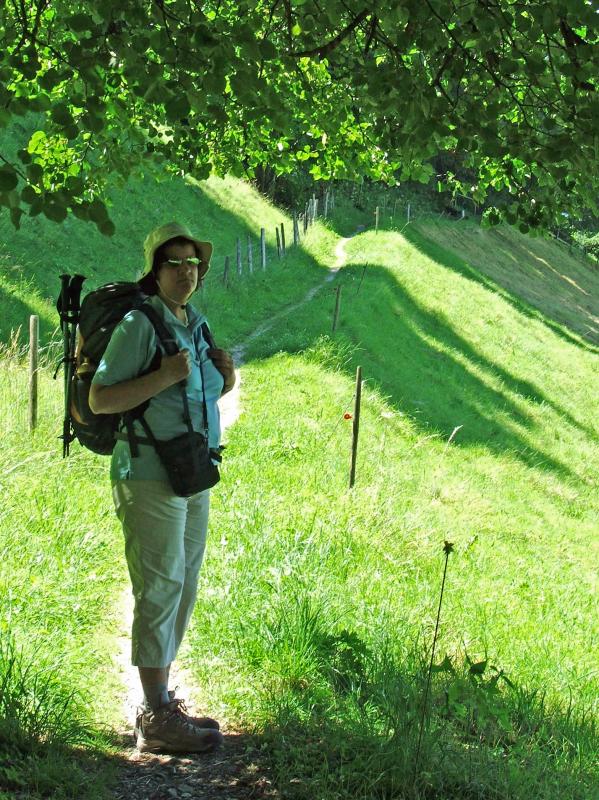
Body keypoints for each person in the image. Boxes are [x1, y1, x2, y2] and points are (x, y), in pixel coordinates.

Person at [89, 222, 235, 753]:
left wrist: (226, 377)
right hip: (149, 473)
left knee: (184, 584)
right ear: (155, 271)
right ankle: (155, 716)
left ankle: (164, 701)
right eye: (174, 263)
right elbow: (101, 399)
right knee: (160, 586)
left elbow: (200, 394)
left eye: (192, 263)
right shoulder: (139, 324)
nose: (185, 272)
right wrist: (165, 376)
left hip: (193, 471)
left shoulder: (196, 324)